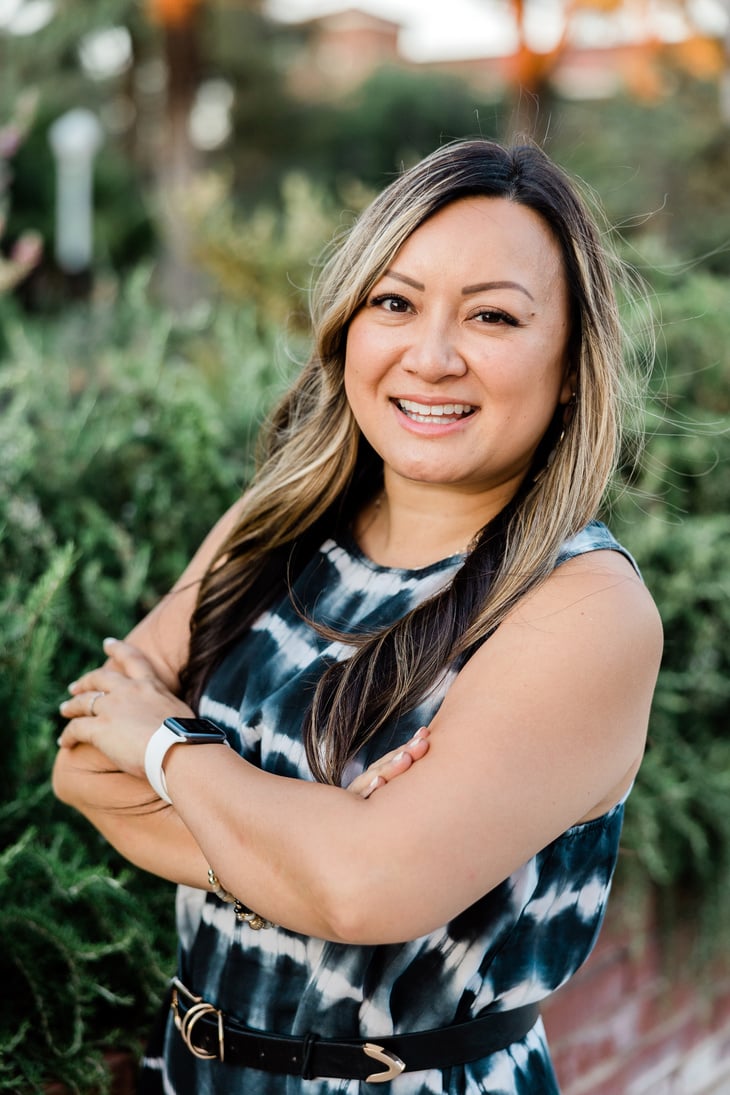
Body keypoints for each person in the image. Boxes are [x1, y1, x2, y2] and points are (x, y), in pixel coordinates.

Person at [53, 137, 662, 1094]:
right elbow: (85, 758)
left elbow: (369, 887)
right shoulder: (276, 524)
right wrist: (310, 850)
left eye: (493, 316)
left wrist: (167, 751)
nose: (431, 356)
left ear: (574, 363)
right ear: (350, 327)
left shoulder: (580, 605)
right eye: (395, 302)